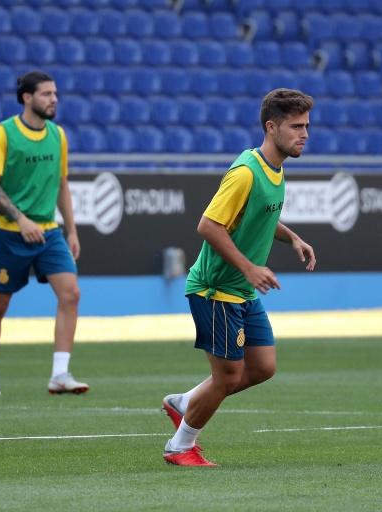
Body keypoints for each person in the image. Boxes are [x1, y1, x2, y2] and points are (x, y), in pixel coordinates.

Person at [161, 88, 317, 466]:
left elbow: (261, 215)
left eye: (306, 126)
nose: (304, 134)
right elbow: (208, 226)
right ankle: (180, 446)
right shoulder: (246, 172)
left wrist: (293, 238)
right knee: (228, 377)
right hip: (215, 289)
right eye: (296, 127)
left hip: (242, 290)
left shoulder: (275, 169)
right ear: (271, 127)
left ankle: (185, 402)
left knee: (262, 368)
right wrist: (249, 267)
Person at [0, 70, 88, 396]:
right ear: (27, 98)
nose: (54, 99)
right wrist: (21, 220)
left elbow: (62, 183)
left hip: (48, 232)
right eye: (46, 94)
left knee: (71, 293)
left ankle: (60, 374)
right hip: (8, 232)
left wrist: (72, 231)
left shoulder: (58, 135)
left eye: (55, 94)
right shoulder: (4, 133)